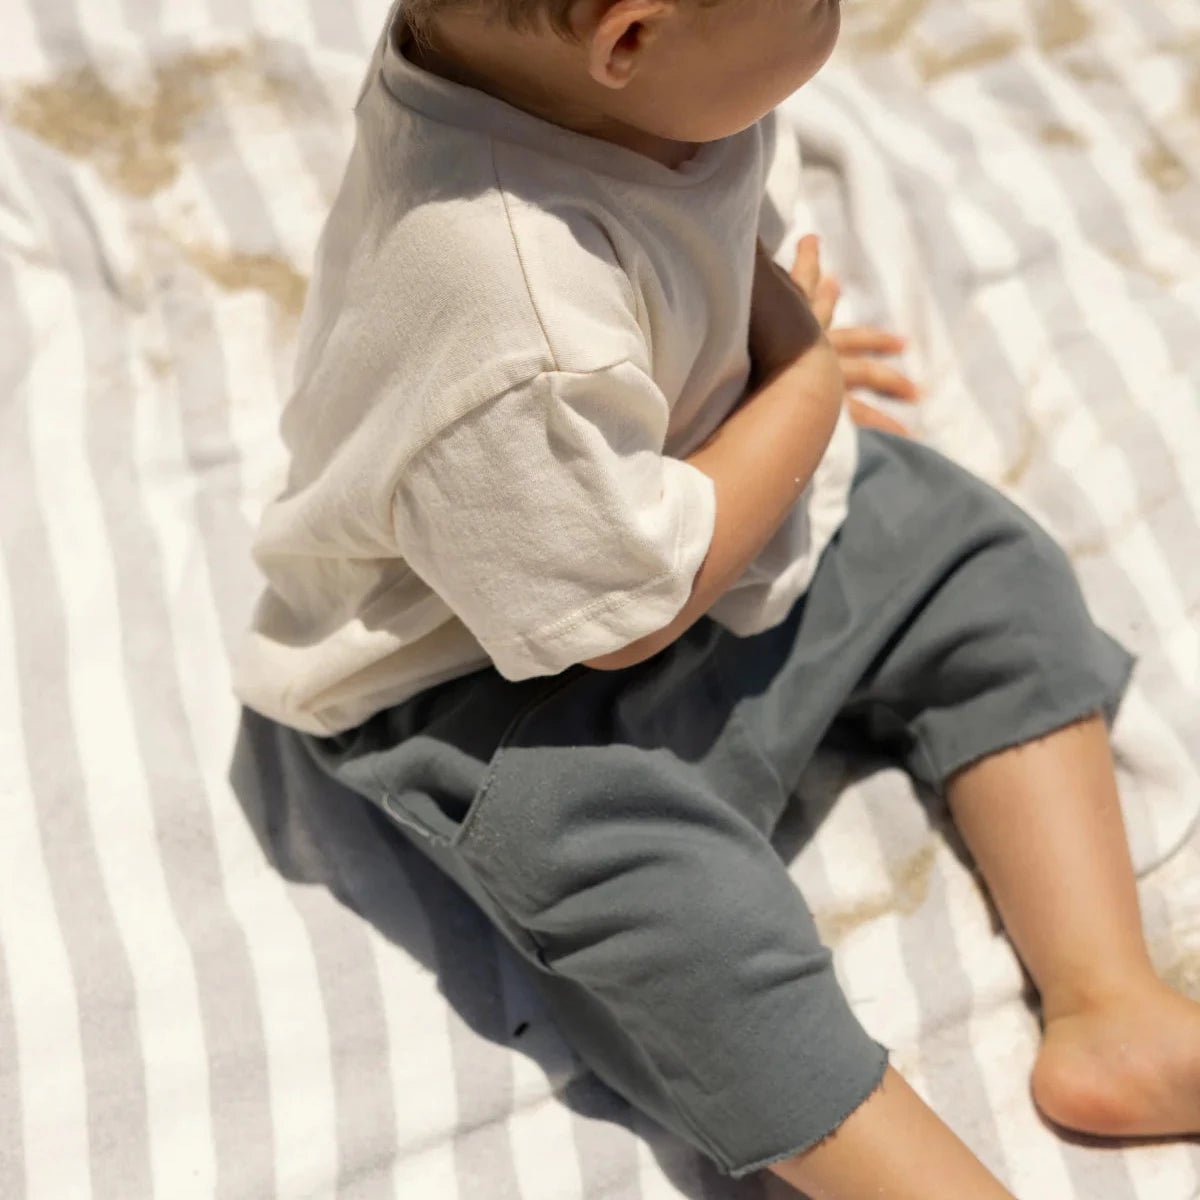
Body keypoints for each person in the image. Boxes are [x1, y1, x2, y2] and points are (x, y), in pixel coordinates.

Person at [231, 0, 1200, 1194]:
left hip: (677, 505)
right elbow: (625, 611)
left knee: (974, 562)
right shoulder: (505, 304)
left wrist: (735, 356)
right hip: (491, 680)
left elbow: (683, 242)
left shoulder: (603, 85)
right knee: (677, 924)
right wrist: (800, 388)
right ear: (630, 39)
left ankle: (1110, 1007)